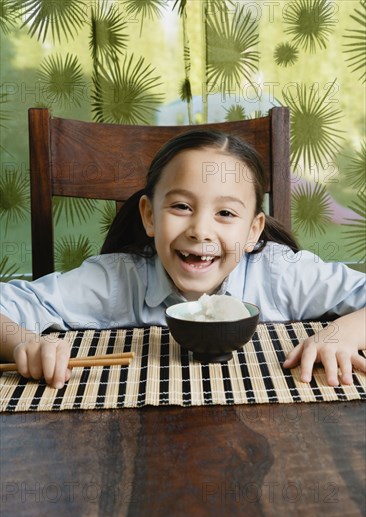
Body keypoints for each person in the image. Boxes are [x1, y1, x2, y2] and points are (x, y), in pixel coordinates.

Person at [0, 131, 365, 389]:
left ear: (254, 230)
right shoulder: (117, 281)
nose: (200, 230)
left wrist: (342, 333)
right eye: (181, 206)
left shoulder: (281, 274)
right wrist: (24, 342)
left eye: (225, 213)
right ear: (149, 216)